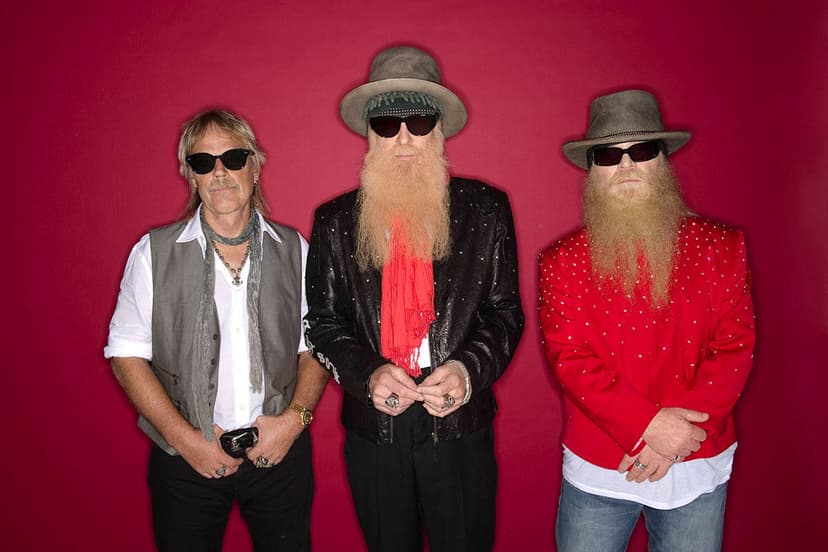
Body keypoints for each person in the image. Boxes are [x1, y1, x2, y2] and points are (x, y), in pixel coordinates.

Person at [304, 45, 524, 552]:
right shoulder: (334, 221)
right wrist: (367, 374)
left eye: (419, 121)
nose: (403, 138)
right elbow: (322, 323)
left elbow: (505, 313)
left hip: (459, 421)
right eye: (387, 123)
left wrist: (467, 370)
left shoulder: (486, 209)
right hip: (375, 427)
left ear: (439, 129)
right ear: (370, 134)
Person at [538, 89, 755, 551]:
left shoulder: (722, 248)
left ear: (663, 160)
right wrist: (647, 426)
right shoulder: (561, 261)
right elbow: (569, 358)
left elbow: (734, 348)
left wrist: (675, 438)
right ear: (592, 170)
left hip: (696, 456)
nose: (626, 165)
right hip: (600, 466)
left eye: (641, 151)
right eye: (607, 155)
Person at [105, 109, 329, 551]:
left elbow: (317, 344)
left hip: (280, 453)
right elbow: (125, 355)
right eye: (203, 162)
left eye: (233, 158)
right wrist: (186, 441)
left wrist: (293, 422)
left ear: (255, 166)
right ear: (190, 175)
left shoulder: (295, 250)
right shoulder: (153, 254)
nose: (220, 173)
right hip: (185, 458)